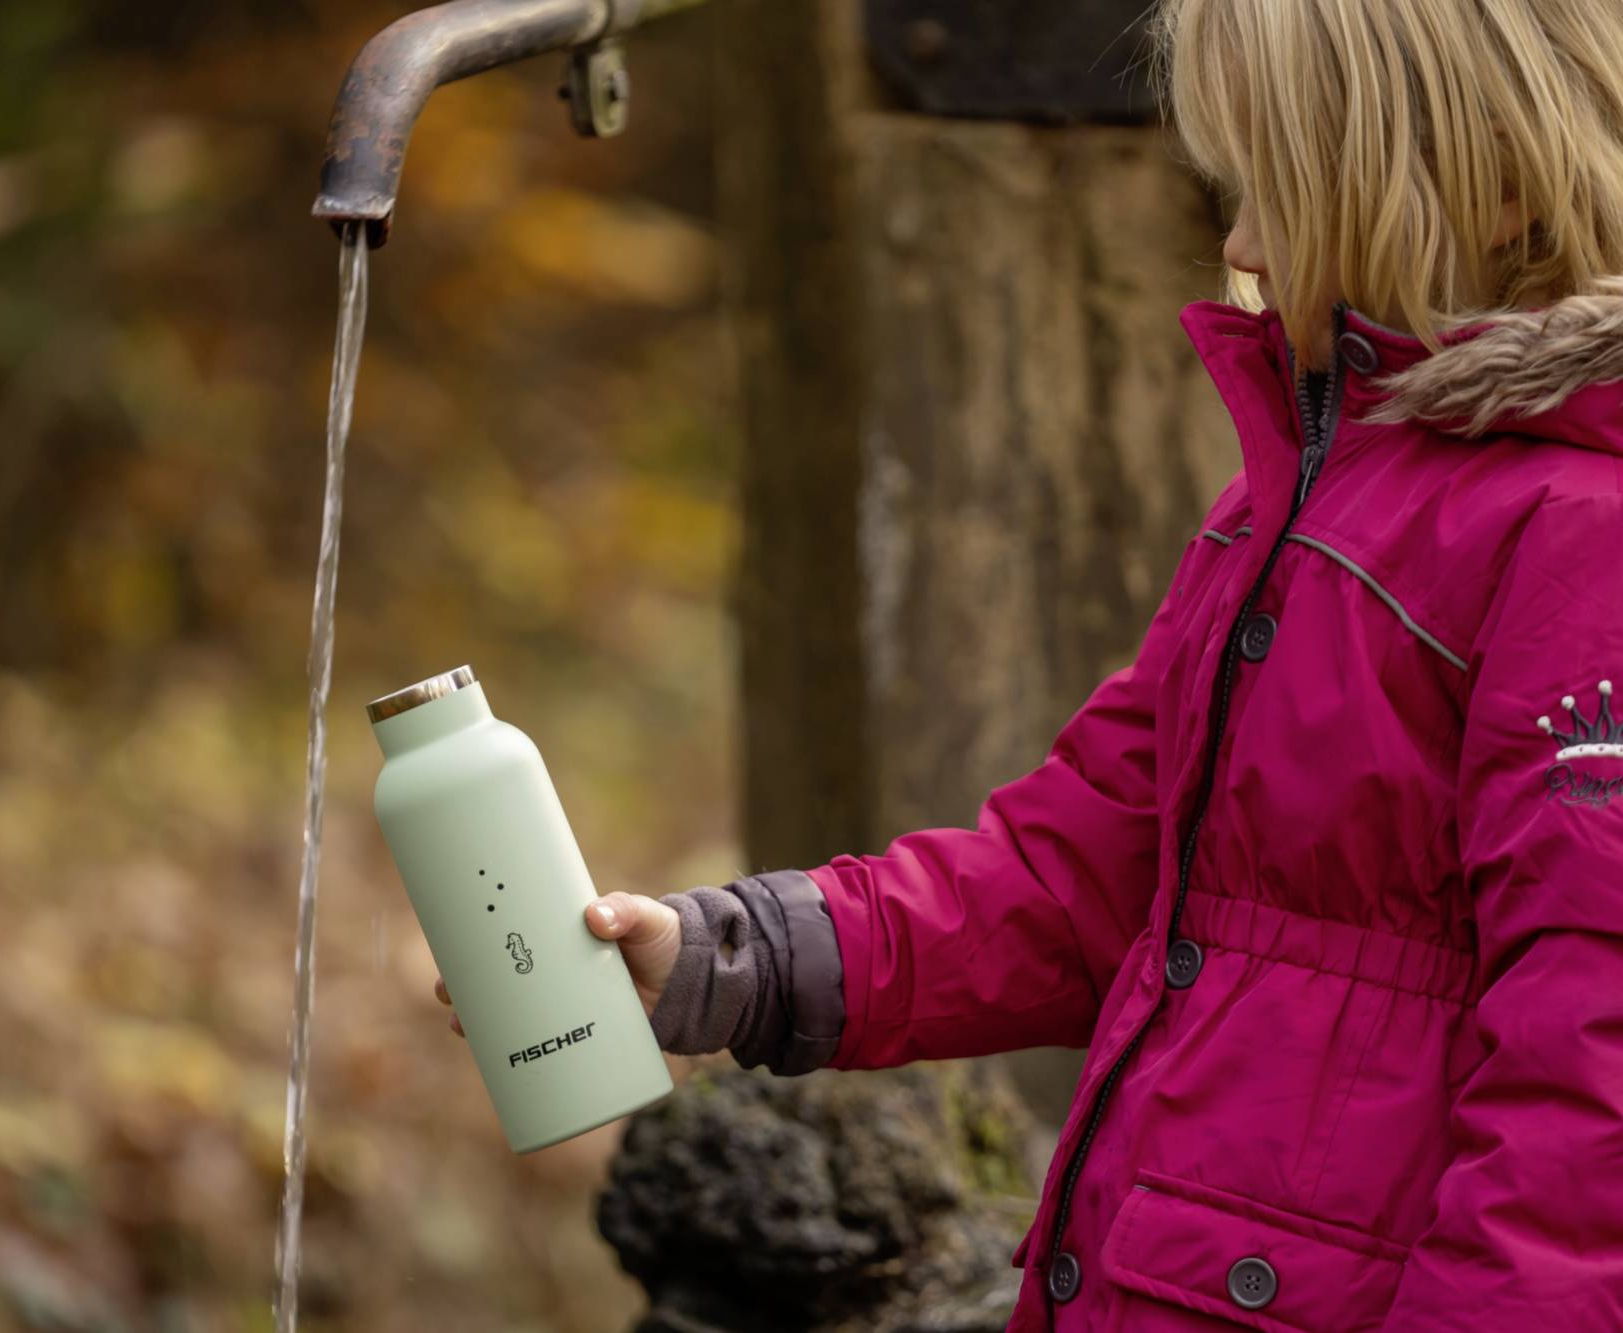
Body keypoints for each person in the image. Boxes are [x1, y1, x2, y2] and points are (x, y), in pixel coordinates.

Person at [437, 1, 1623, 1326]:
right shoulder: (1291, 512)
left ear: (1501, 186)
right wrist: (733, 956)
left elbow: (1590, 1096)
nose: (1235, 244)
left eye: (1278, 191)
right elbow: (1079, 871)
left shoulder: (1582, 544)